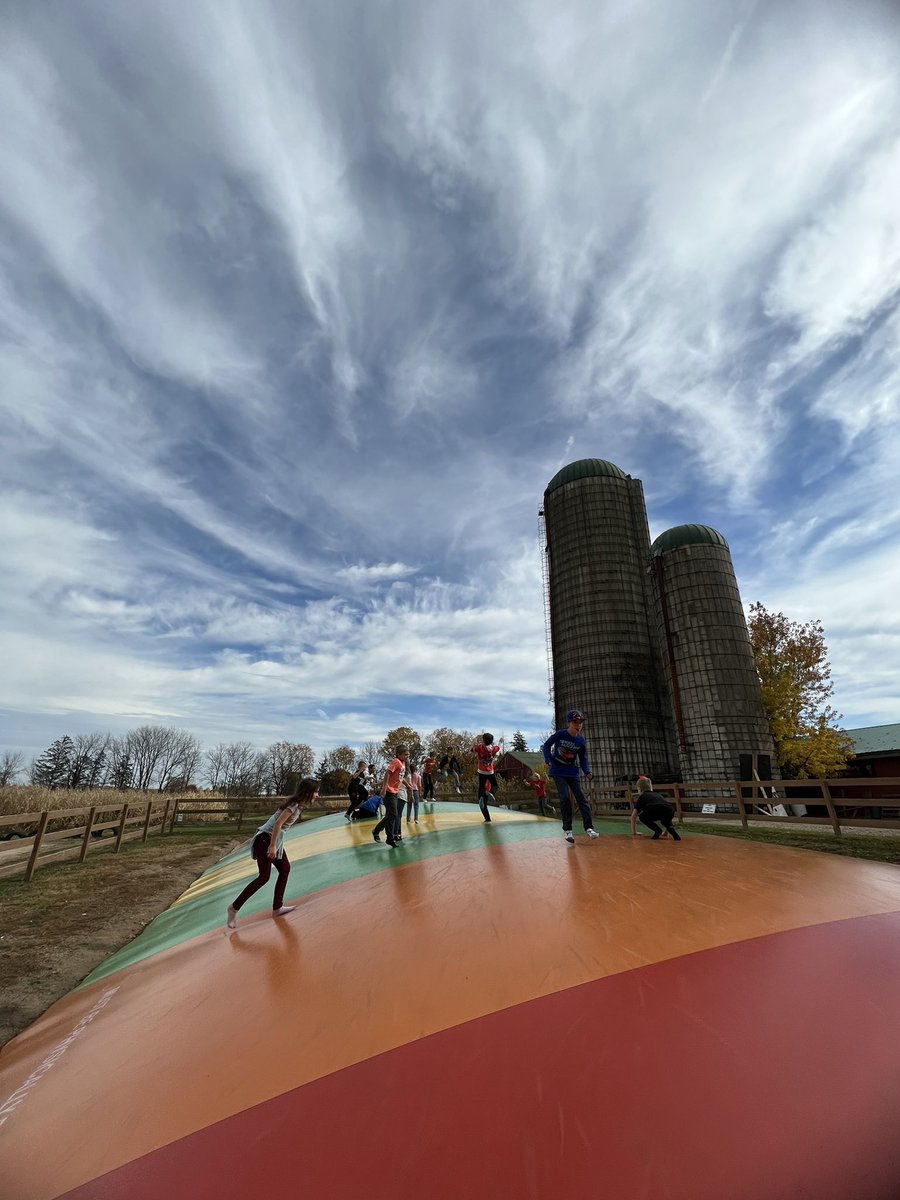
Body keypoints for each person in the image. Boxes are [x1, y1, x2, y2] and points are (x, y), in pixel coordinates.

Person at [226, 778, 318, 928]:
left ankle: (277, 908)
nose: (317, 795)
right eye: (315, 792)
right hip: (265, 840)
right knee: (264, 877)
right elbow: (277, 824)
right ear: (307, 793)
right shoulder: (293, 806)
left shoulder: (298, 806)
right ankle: (233, 908)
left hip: (270, 839)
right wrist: (272, 846)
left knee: (285, 869)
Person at [542, 710, 598, 844]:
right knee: (565, 798)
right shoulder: (560, 734)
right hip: (557, 771)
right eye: (575, 723)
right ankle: (567, 830)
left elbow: (583, 759)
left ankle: (589, 828)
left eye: (580, 723)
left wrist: (587, 771)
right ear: (569, 723)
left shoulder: (580, 740)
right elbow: (546, 745)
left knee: (581, 798)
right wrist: (548, 759)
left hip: (572, 772)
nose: (578, 725)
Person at [373, 745, 407, 848]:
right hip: (389, 792)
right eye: (405, 754)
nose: (407, 756)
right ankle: (376, 830)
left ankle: (390, 839)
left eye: (407, 754)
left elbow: (399, 778)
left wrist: (408, 785)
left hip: (395, 792)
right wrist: (383, 788)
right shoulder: (396, 761)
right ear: (399, 754)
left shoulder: (403, 763)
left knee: (390, 815)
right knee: (393, 814)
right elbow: (387, 773)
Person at [473, 733, 503, 823]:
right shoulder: (493, 749)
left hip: (481, 771)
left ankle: (487, 818)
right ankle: (491, 793)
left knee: (481, 787)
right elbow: (498, 747)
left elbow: (472, 749)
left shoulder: (480, 747)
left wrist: (474, 746)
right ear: (492, 741)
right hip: (490, 771)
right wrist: (500, 742)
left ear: (483, 740)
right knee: (495, 785)